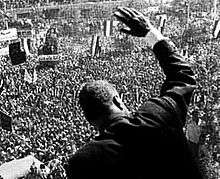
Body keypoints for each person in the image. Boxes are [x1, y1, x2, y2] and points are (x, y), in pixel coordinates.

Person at [64, 7, 203, 179]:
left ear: (90, 120)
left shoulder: (82, 163)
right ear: (117, 100)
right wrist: (150, 33)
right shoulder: (157, 116)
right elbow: (182, 76)